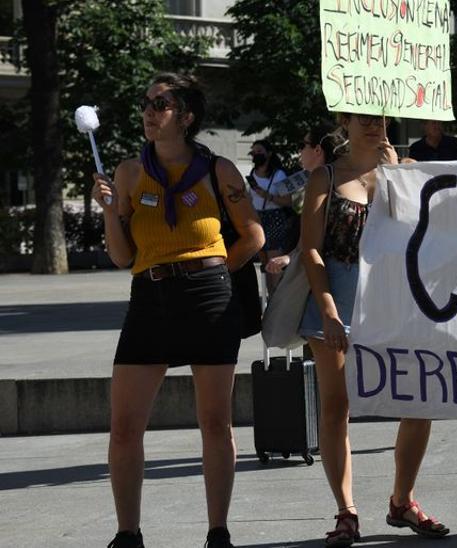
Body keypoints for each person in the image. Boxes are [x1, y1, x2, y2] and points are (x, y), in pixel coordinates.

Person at [92, 72, 264, 548]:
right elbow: (123, 257)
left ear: (186, 117)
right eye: (147, 103)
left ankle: (218, 532)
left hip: (209, 297)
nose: (150, 112)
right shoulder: (128, 172)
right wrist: (109, 212)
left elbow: (253, 235)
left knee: (215, 422)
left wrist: (213, 273)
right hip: (149, 299)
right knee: (124, 427)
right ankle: (127, 534)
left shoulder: (219, 170)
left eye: (162, 104)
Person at [298, 112, 449, 546]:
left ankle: (402, 500)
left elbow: (421, 232)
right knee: (336, 406)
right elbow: (310, 248)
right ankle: (346, 511)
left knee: (419, 400)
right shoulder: (325, 177)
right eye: (363, 118)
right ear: (345, 121)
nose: (373, 126)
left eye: (381, 119)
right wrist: (327, 307)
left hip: (394, 301)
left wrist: (395, 175)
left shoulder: (403, 172)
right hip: (337, 298)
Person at [264, 125, 342, 276]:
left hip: (323, 272)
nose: (299, 151)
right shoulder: (327, 180)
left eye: (303, 145)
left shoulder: (325, 184)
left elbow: (315, 237)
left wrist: (290, 257)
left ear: (318, 150)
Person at [246, 140, 295, 293]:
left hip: (275, 218)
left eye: (260, 151)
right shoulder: (252, 174)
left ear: (269, 153)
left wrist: (267, 195)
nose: (256, 154)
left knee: (274, 263)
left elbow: (287, 201)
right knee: (265, 264)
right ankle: (270, 298)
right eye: (254, 151)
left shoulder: (278, 174)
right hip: (257, 218)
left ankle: (278, 298)